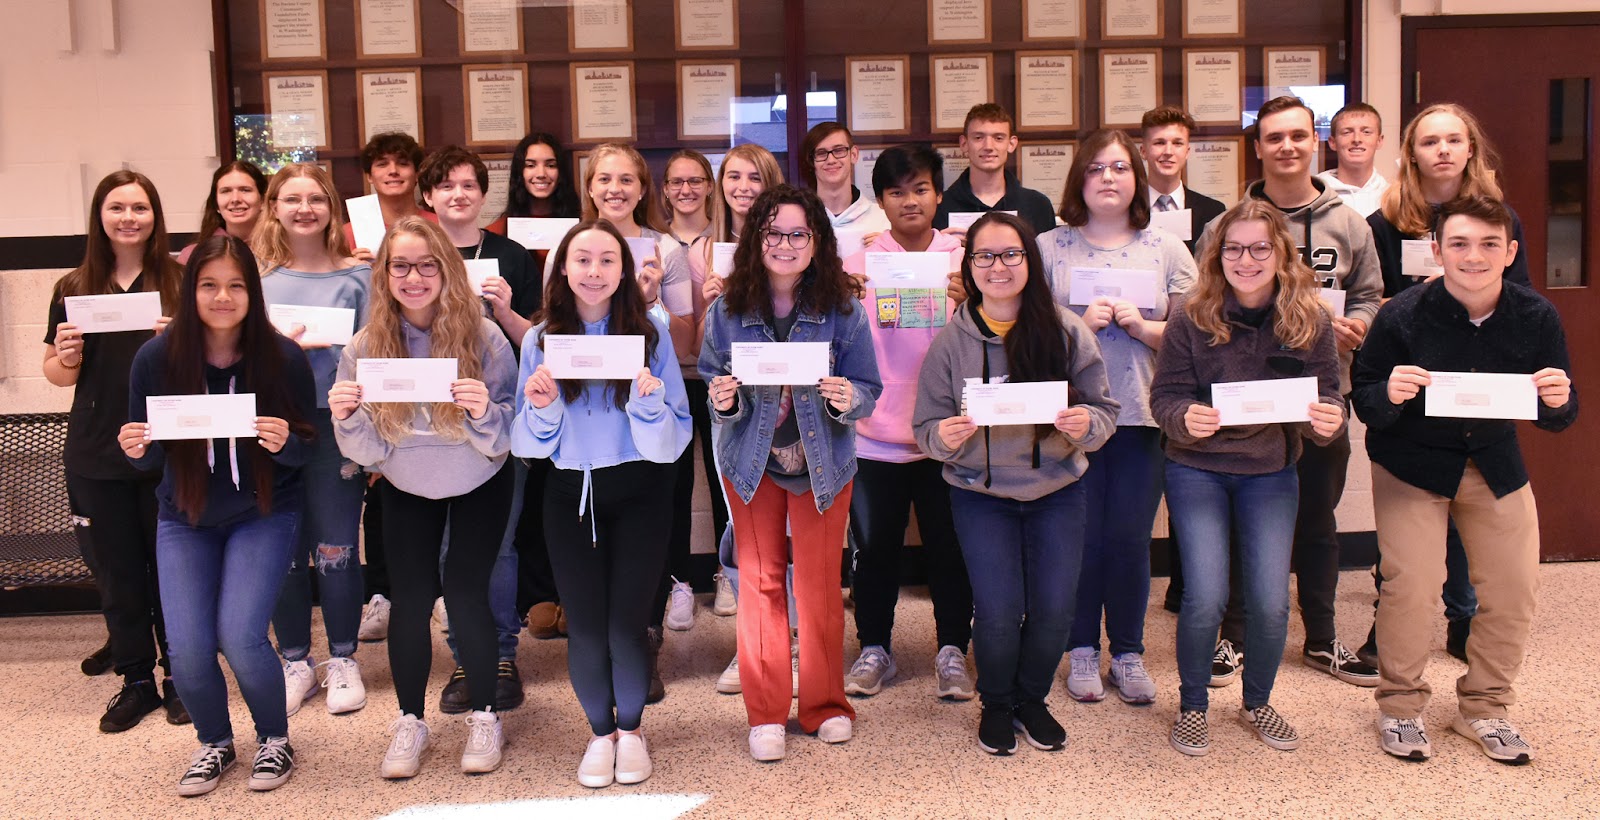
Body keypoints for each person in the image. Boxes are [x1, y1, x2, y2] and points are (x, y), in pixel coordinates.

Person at [1352, 196, 1577, 765]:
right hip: (1412, 465)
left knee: (1514, 586)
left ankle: (1486, 708)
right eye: (1459, 244)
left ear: (1510, 252)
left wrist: (1558, 399)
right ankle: (1400, 707)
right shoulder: (1401, 315)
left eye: (1488, 245)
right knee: (1414, 583)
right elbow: (1367, 403)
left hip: (1493, 464)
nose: (1473, 257)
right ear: (1436, 250)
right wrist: (1388, 393)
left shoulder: (1536, 317)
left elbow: (1558, 413)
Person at [1195, 95, 1384, 690]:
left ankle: (1322, 639)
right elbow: (1203, 303)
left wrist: (1358, 324)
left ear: (1315, 142)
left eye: (1298, 136)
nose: (1287, 147)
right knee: (1238, 517)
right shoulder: (1226, 225)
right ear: (1258, 147)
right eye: (1274, 137)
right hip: (1243, 403)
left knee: (1318, 518)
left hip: (1319, 396)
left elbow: (1370, 294)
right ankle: (1235, 637)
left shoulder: (1348, 221)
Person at [913, 211, 1118, 755]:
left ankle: (1032, 699)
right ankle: (998, 702)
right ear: (970, 265)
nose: (998, 266)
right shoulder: (950, 344)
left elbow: (1104, 412)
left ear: (1030, 260)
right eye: (985, 256)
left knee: (1054, 606)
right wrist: (946, 435)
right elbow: (925, 428)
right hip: (980, 495)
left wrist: (1085, 424)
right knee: (999, 608)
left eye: (1011, 254)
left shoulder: (1066, 330)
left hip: (1058, 490)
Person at [119, 235, 316, 795]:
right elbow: (148, 456)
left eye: (235, 285)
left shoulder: (282, 357)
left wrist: (284, 444)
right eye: (208, 285)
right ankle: (215, 743)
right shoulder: (156, 359)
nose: (222, 297)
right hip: (184, 516)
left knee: (240, 633)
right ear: (190, 291)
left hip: (262, 511)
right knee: (186, 645)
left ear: (252, 291)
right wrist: (136, 447)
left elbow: (307, 449)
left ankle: (275, 738)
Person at [1153, 199, 1347, 756]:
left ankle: (1257, 702)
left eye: (1260, 247)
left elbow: (1328, 402)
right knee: (1206, 596)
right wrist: (1183, 419)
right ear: (1218, 256)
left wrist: (1328, 420)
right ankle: (1192, 707)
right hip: (1197, 470)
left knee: (1269, 601)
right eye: (1234, 248)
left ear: (1281, 254)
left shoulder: (1310, 320)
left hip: (1269, 470)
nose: (1247, 259)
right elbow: (1165, 398)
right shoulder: (1191, 317)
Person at [699, 185, 882, 762]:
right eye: (772, 233)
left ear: (817, 242)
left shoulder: (844, 309)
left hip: (824, 463)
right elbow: (711, 383)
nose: (784, 244)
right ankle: (766, 713)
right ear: (755, 240)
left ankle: (826, 704)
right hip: (751, 464)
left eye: (797, 234)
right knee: (759, 585)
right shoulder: (726, 310)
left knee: (821, 585)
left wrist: (846, 397)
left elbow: (870, 391)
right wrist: (723, 400)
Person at [329, 216, 518, 778]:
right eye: (401, 266)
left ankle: (485, 713)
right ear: (384, 275)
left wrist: (484, 411)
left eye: (426, 264)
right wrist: (345, 418)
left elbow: (510, 431)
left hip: (480, 477)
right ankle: (410, 720)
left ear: (447, 270)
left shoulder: (484, 336)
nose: (414, 277)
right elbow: (365, 450)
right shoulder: (366, 345)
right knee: (410, 602)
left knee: (464, 594)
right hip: (407, 484)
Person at [513, 220, 692, 788]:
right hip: (570, 495)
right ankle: (600, 734)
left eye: (607, 261)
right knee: (586, 626)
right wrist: (542, 408)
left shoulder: (653, 334)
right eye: (582, 260)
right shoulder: (539, 340)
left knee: (626, 624)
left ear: (624, 271)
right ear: (562, 268)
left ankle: (633, 731)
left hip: (640, 491)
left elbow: (672, 444)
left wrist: (648, 404)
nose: (594, 272)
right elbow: (523, 445)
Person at [1360, 102, 1528, 666]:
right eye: (1430, 142)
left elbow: (1520, 303)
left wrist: (1470, 286)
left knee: (1471, 510)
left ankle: (1462, 617)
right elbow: (1369, 297)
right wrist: (1424, 299)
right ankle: (1392, 631)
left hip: (1475, 395)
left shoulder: (1496, 217)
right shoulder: (1385, 221)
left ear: (1470, 148)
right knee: (1409, 530)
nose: (1443, 151)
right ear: (1412, 153)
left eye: (1454, 140)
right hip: (1412, 391)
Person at [1040, 129, 1197, 706]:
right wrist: (1078, 320)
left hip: (1140, 416)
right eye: (1097, 168)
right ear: (1079, 177)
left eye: (1120, 168)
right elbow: (1026, 336)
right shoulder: (1049, 246)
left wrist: (1143, 327)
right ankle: (1080, 648)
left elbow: (1193, 338)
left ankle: (1128, 652)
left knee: (1130, 539)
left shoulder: (1167, 249)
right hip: (1067, 416)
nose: (1108, 178)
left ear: (1138, 179)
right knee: (1077, 537)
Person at [43, 170, 184, 732]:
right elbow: (55, 374)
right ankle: (137, 681)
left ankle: (182, 677)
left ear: (156, 217)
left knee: (172, 571)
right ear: (100, 216)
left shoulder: (179, 279)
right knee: (117, 574)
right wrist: (67, 353)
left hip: (168, 449)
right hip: (96, 453)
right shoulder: (73, 287)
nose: (129, 218)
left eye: (140, 208)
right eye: (117, 207)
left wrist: (175, 343)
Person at [838, 144, 974, 701]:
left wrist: (972, 302)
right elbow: (842, 342)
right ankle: (874, 648)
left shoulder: (963, 257)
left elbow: (998, 331)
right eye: (896, 191)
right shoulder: (860, 264)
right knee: (875, 555)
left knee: (950, 549)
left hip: (948, 433)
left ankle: (952, 652)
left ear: (939, 195)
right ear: (881, 201)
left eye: (920, 189)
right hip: (876, 435)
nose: (909, 200)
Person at [419, 145, 541, 714]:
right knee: (447, 545)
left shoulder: (512, 256)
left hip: (499, 415)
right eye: (446, 186)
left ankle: (501, 655)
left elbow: (539, 344)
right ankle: (466, 656)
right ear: (429, 197)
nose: (458, 195)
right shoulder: (415, 254)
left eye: (469, 185)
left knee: (499, 543)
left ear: (483, 194)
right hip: (429, 422)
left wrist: (509, 311)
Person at [254, 163, 373, 718]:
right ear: (273, 207)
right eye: (292, 198)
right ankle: (295, 659)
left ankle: (344, 657)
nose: (305, 208)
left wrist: (375, 440)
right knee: (283, 550)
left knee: (336, 547)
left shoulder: (361, 279)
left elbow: (378, 360)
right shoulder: (256, 282)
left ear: (332, 209)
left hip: (337, 428)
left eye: (316, 199)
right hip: (275, 427)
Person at [701, 143, 795, 696]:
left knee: (793, 532)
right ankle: (754, 644)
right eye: (733, 176)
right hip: (738, 414)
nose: (743, 186)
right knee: (746, 529)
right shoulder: (707, 252)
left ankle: (796, 643)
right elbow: (700, 347)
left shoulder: (797, 242)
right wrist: (712, 298)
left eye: (755, 177)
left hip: (797, 416)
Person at [499, 132, 581, 643]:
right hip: (517, 370)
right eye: (531, 165)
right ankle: (535, 597)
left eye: (550, 164)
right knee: (527, 498)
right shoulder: (500, 236)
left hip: (569, 365)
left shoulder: (581, 229)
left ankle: (570, 594)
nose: (541, 173)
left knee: (565, 488)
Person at [656, 149, 727, 640]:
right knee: (675, 485)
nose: (686, 189)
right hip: (671, 376)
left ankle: (728, 574)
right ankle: (679, 582)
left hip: (720, 375)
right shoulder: (654, 246)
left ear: (709, 185)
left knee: (726, 480)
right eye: (676, 182)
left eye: (696, 180)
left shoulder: (725, 240)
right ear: (663, 189)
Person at [933, 103, 1057, 235]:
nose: (988, 146)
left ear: (1011, 144)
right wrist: (941, 247)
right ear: (964, 143)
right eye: (978, 138)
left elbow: (1046, 255)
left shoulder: (1037, 205)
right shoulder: (939, 207)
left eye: (998, 138)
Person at [1139, 106, 1226, 255]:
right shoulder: (1126, 209)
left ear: (1187, 152)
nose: (1168, 152)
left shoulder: (1213, 212)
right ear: (1143, 151)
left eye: (1177, 143)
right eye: (1159, 143)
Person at [343, 131, 430, 258]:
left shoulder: (439, 225)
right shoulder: (347, 234)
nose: (393, 171)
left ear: (417, 174)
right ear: (369, 177)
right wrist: (352, 271)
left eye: (403, 163)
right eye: (382, 164)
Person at [799, 121, 890, 241]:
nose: (831, 160)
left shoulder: (884, 220)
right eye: (821, 153)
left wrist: (889, 250)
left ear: (853, 155)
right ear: (811, 161)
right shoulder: (798, 219)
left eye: (838, 150)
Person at [178, 162, 269, 263]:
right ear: (216, 204)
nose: (235, 199)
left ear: (263, 200)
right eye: (226, 191)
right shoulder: (192, 255)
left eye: (245, 190)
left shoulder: (283, 252)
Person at [1317, 103, 1390, 218]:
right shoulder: (1316, 193)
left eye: (1366, 132)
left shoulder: (1391, 197)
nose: (1357, 139)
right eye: (1347, 132)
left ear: (1379, 141)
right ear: (1332, 142)